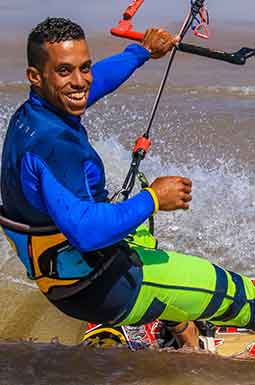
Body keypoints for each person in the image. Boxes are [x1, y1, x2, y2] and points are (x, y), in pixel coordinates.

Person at [1, 18, 254, 350]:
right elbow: (87, 233)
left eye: (85, 67)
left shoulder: (34, 116)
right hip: (103, 284)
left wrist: (141, 52)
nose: (80, 82)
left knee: (142, 233)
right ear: (36, 77)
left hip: (61, 273)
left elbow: (96, 82)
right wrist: (154, 197)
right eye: (65, 71)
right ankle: (180, 306)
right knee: (241, 295)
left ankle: (182, 327)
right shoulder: (55, 146)